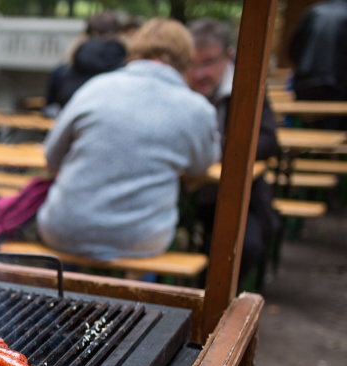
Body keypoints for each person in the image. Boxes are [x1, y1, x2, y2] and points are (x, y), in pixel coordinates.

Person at [35, 19, 220, 262]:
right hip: (140, 239)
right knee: (150, 252)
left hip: (65, 230)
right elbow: (202, 165)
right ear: (187, 58)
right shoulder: (197, 109)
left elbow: (51, 156)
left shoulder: (95, 87)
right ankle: (145, 294)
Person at [187, 19, 280, 290]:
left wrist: (216, 151)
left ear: (228, 57)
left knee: (243, 246)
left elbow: (267, 141)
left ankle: (215, 307)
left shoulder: (247, 87)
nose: (199, 73)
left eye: (208, 62)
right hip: (183, 193)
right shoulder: (178, 88)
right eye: (193, 64)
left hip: (232, 195)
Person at [43, 12, 127, 118]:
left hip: (71, 120)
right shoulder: (126, 61)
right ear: (118, 33)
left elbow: (51, 103)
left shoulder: (70, 61)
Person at [288, 0, 347, 129]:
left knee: (308, 127)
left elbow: (293, 48)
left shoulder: (314, 10)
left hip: (306, 79)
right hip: (337, 82)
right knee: (334, 130)